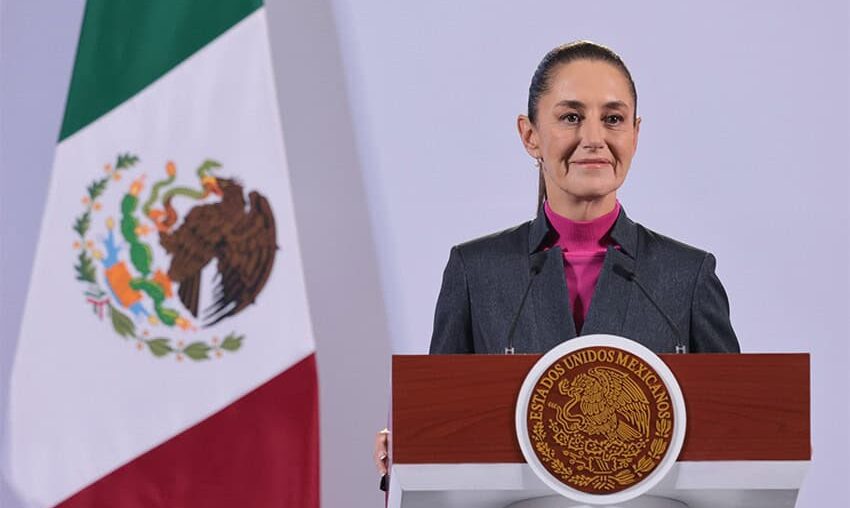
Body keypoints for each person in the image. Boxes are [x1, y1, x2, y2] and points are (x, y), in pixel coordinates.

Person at [375, 40, 740, 478]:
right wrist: (411, 441)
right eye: (571, 117)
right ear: (530, 135)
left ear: (635, 134)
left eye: (613, 119)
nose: (594, 139)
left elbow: (736, 436)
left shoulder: (687, 275)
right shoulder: (477, 271)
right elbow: (443, 423)